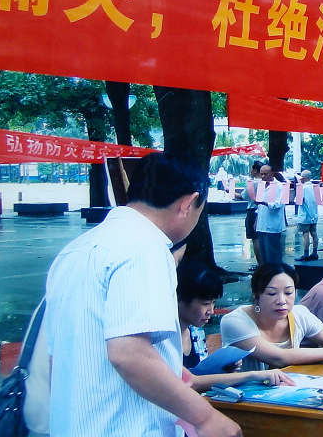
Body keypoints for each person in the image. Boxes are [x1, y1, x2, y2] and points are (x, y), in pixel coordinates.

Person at [44, 153, 241, 437]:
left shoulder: (75, 250)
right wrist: (206, 418)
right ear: (188, 203)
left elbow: (56, 357)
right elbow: (129, 353)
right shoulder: (146, 248)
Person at [220, 263, 323, 371]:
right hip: (243, 402)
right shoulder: (235, 321)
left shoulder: (299, 314)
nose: (281, 300)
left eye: (288, 293)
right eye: (272, 294)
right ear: (256, 295)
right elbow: (279, 357)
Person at [176, 263, 294, 390]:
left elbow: (199, 374)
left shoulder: (195, 332)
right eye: (205, 303)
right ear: (179, 299)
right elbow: (191, 382)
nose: (210, 310)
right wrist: (252, 375)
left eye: (213, 303)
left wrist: (221, 369)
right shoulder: (163, 339)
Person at [255, 164, 286, 265]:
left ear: (272, 173)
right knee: (263, 255)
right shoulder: (261, 185)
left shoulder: (281, 187)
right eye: (261, 174)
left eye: (265, 174)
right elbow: (258, 207)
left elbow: (278, 205)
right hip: (261, 225)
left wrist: (264, 202)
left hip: (273, 226)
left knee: (272, 254)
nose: (263, 176)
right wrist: (256, 221)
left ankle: (276, 276)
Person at [237, 161, 263, 264]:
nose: (250, 171)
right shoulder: (266, 182)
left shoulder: (253, 183)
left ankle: (260, 264)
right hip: (263, 211)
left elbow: (242, 196)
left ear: (255, 170)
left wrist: (228, 190)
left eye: (252, 169)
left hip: (253, 211)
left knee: (255, 239)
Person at [294, 169, 319, 261]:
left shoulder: (303, 188)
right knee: (314, 233)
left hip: (305, 216)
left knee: (305, 234)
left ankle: (306, 254)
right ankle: (315, 253)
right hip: (314, 215)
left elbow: (297, 201)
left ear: (303, 178)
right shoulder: (315, 187)